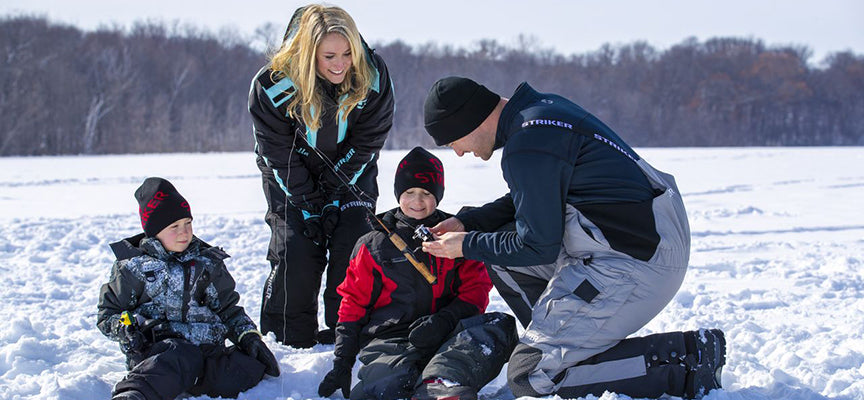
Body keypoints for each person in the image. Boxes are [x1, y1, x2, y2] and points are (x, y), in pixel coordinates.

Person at [420, 77, 726, 399]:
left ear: (468, 120)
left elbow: (536, 245)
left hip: (632, 262)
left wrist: (465, 245)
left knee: (529, 377)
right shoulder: (541, 112)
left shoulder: (527, 145)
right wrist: (467, 221)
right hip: (642, 241)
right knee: (499, 255)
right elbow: (534, 196)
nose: (457, 152)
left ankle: (684, 360)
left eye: (452, 140)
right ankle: (560, 342)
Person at [317, 147, 518, 400]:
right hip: (391, 341)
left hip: (447, 334)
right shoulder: (373, 243)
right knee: (383, 386)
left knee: (500, 325)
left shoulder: (457, 234)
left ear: (439, 195)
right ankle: (414, 385)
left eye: (426, 193)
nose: (417, 201)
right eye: (409, 192)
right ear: (398, 193)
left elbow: (475, 293)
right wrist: (342, 362)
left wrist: (444, 319)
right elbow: (352, 304)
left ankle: (440, 383)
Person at [247, 4, 394, 348]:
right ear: (308, 53)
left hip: (352, 171)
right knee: (296, 249)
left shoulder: (372, 76)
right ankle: (287, 339)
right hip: (290, 173)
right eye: (329, 56)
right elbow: (277, 152)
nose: (340, 64)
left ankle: (349, 334)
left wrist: (334, 192)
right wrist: (310, 203)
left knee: (354, 243)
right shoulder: (272, 84)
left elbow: (369, 140)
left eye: (347, 53)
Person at [97, 177, 279, 400]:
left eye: (188, 223)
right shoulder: (133, 269)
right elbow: (109, 314)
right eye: (174, 226)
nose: (184, 232)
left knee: (245, 369)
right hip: (160, 352)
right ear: (154, 231)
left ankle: (192, 380)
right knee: (179, 355)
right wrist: (125, 329)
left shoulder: (207, 263)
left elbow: (228, 309)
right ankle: (135, 393)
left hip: (205, 349)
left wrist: (248, 336)